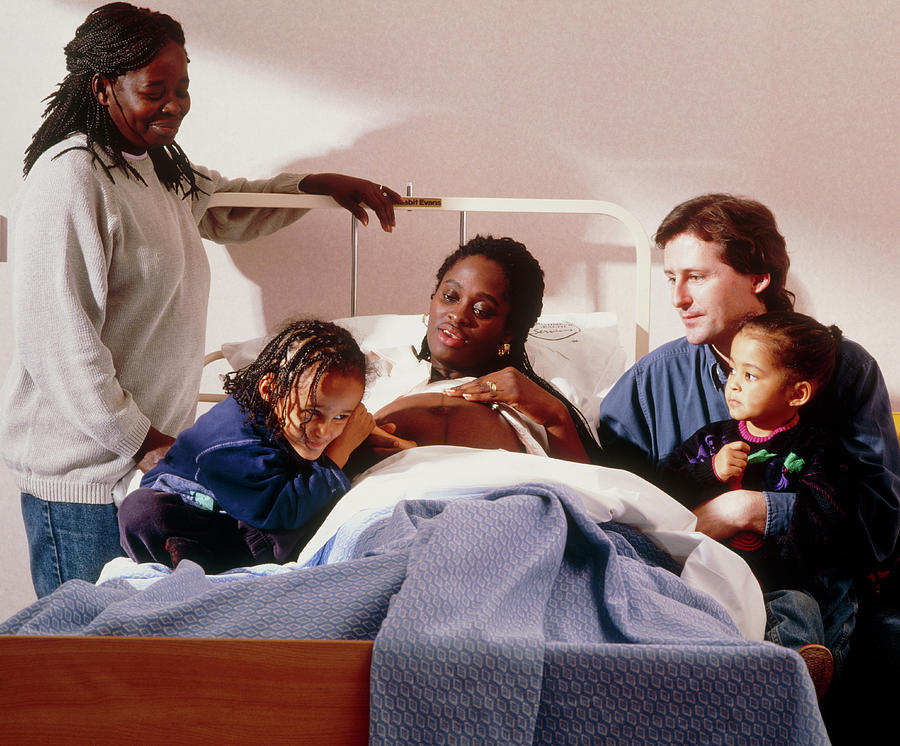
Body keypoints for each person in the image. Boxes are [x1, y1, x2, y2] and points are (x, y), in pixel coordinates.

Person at [0, 2, 403, 597]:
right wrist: (145, 443)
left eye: (183, 88)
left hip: (151, 471)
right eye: (154, 89)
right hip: (85, 473)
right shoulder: (71, 178)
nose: (174, 105)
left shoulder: (156, 170)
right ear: (103, 86)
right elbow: (58, 341)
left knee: (146, 654)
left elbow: (227, 204)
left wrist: (314, 188)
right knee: (88, 660)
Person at [595, 193, 900, 730]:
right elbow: (614, 518)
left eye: (697, 276)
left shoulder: (842, 369)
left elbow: (879, 528)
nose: (678, 298)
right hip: (685, 592)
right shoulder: (650, 381)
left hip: (809, 587)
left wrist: (752, 508)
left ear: (758, 275)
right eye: (670, 279)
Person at [662, 311, 854, 698]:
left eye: (749, 376)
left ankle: (791, 672)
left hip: (781, 582)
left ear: (797, 393)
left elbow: (828, 515)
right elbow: (661, 489)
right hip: (717, 577)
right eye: (732, 371)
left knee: (799, 608)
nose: (733, 385)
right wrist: (708, 472)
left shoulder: (818, 448)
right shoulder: (710, 441)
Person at [117, 319, 378, 573]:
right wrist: (340, 454)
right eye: (311, 413)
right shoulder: (232, 443)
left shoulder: (284, 420)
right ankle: (201, 565)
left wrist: (359, 440)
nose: (325, 430)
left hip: (244, 509)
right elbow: (281, 512)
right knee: (140, 511)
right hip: (198, 516)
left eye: (341, 417)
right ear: (270, 389)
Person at [359, 234, 601, 467]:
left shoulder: (535, 398)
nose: (458, 315)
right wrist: (354, 449)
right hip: (389, 498)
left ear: (509, 332)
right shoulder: (370, 372)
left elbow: (588, 491)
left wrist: (555, 415)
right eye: (450, 296)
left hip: (509, 501)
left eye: (481, 310)